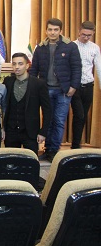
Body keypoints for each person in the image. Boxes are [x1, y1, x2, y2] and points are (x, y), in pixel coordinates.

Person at [29, 18, 81, 161]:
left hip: (63, 91)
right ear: (46, 31)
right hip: (45, 90)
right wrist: (32, 87)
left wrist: (73, 86)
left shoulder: (70, 46)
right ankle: (47, 149)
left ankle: (54, 150)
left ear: (60, 31)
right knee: (48, 120)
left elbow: (77, 68)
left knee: (59, 120)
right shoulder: (40, 47)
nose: (52, 32)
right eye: (50, 29)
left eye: (55, 30)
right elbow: (34, 69)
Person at [3, 53, 51, 154]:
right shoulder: (7, 82)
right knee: (10, 160)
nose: (17, 67)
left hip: (30, 132)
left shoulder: (39, 84)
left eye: (20, 64)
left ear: (27, 66)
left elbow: (47, 111)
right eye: (14, 64)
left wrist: (43, 132)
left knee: (31, 161)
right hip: (11, 131)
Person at [71, 21, 101, 149]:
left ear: (93, 34)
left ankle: (76, 144)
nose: (86, 37)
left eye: (89, 35)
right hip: (74, 86)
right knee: (79, 114)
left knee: (82, 117)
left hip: (88, 85)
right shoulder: (71, 46)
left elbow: (99, 67)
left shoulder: (95, 48)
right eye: (84, 34)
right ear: (79, 31)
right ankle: (75, 146)